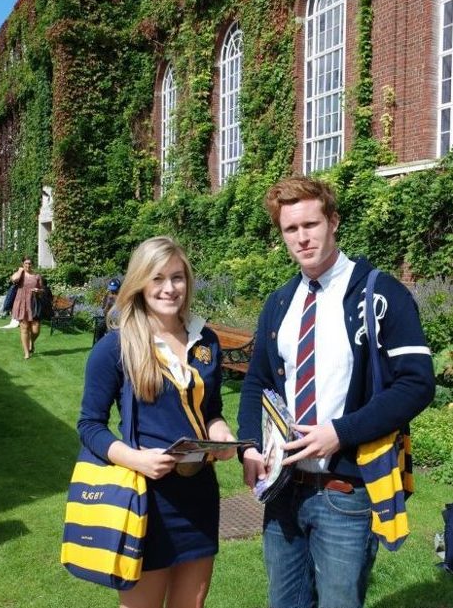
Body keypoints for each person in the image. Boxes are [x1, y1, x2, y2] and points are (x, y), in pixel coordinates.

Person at [237, 175, 435, 608]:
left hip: (345, 493)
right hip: (283, 491)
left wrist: (341, 432)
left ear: (334, 222)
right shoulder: (280, 302)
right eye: (291, 229)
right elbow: (257, 383)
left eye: (312, 224)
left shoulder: (380, 293)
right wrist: (251, 446)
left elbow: (417, 382)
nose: (303, 238)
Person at [78, 236, 236, 608]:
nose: (169, 288)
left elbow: (210, 409)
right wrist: (135, 459)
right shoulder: (116, 347)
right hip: (144, 500)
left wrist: (221, 433)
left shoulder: (205, 340)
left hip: (199, 496)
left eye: (178, 277)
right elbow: (89, 426)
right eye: (158, 278)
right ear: (140, 283)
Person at [10, 256, 43, 359]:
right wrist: (20, 270)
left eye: (29, 263)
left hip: (34, 303)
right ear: (23, 264)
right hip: (22, 303)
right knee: (24, 328)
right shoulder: (20, 274)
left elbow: (43, 289)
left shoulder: (37, 276)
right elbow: (13, 279)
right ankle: (26, 352)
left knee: (35, 330)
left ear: (32, 264)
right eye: (26, 263)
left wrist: (38, 291)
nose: (28, 265)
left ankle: (31, 342)